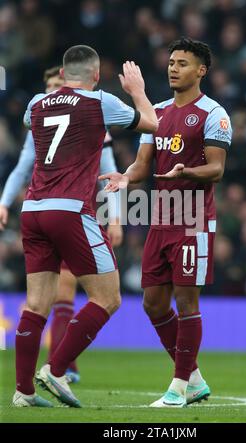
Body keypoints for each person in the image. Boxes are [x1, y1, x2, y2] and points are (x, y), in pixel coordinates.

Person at [13, 44, 158, 408]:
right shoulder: (99, 101)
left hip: (32, 210)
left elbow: (33, 125)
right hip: (70, 210)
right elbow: (154, 125)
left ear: (62, 74)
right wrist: (138, 92)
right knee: (108, 298)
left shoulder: (35, 103)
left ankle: (23, 392)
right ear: (95, 76)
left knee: (35, 304)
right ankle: (57, 368)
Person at [100, 37, 232, 408]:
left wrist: (185, 170)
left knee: (187, 302)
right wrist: (126, 178)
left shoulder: (213, 113)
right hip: (160, 218)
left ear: (201, 70)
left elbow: (217, 169)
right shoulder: (155, 113)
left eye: (183, 63)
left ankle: (177, 388)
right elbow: (143, 166)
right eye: (172, 62)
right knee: (153, 304)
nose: (174, 68)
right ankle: (194, 378)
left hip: (193, 219)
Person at [0, 66, 123, 385]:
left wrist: (116, 216)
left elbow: (110, 169)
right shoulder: (42, 125)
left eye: (59, 85)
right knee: (49, 299)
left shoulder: (80, 119)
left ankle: (56, 370)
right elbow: (23, 166)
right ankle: (58, 368)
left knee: (58, 295)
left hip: (49, 213)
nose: (56, 92)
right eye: (51, 86)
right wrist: (3, 201)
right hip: (67, 213)